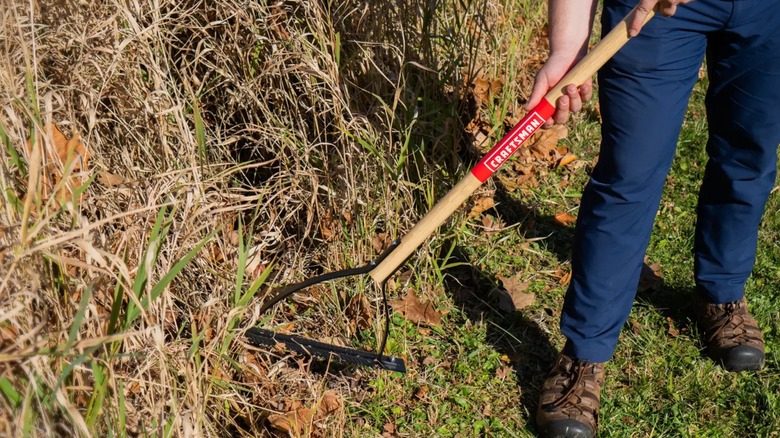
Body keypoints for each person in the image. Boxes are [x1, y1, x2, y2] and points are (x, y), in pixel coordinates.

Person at [524, 0, 780, 436]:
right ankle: (585, 354)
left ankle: (722, 293)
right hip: (653, 13)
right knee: (630, 172)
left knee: (750, 155)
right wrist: (567, 44)